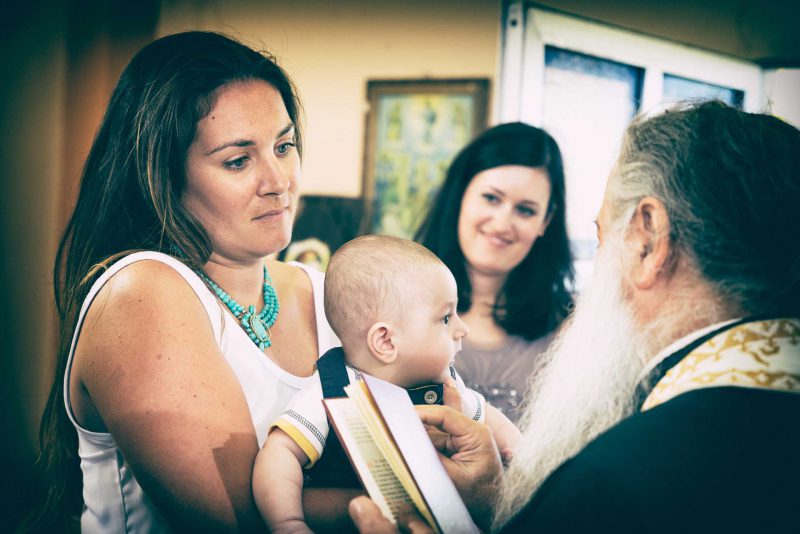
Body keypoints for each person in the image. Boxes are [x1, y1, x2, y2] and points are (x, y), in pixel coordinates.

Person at [349, 101, 800, 533]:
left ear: (647, 241)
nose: (503, 222)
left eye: (604, 237)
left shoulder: (620, 477)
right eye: (491, 197)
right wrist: (493, 498)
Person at [33, 31, 347, 532]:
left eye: (284, 146)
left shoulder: (328, 289)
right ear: (162, 177)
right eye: (238, 160)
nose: (278, 180)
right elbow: (238, 519)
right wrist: (419, 496)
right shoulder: (142, 294)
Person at [253, 235, 521, 533]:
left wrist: (519, 453)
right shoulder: (332, 391)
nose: (463, 329)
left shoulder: (444, 387)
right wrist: (288, 523)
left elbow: (490, 421)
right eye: (446, 317)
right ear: (386, 340)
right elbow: (279, 453)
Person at [415, 123, 574, 422]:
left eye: (525, 210)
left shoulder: (569, 327)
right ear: (460, 194)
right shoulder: (398, 299)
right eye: (491, 198)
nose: (502, 223)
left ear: (545, 221)